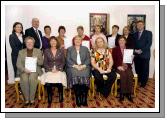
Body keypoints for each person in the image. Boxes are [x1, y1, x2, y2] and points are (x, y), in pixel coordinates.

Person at [16, 36, 43, 106]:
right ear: (25, 43)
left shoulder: (38, 51)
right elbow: (18, 63)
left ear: (33, 43)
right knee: (24, 79)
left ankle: (32, 98)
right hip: (24, 70)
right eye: (28, 42)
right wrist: (24, 69)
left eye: (31, 42)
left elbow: (41, 63)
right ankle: (27, 98)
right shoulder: (21, 52)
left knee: (32, 78)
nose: (29, 44)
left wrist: (36, 60)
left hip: (35, 70)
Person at [40, 36, 67, 105]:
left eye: (54, 41)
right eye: (51, 41)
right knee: (48, 79)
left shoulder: (61, 51)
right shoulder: (46, 51)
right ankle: (49, 95)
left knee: (60, 77)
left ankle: (61, 94)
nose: (53, 42)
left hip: (59, 70)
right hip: (49, 70)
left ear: (56, 42)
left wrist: (58, 69)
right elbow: (45, 63)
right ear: (49, 42)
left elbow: (63, 62)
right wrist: (50, 69)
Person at [66, 36, 91, 107]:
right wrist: (75, 66)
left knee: (85, 75)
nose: (77, 41)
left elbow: (88, 59)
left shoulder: (85, 49)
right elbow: (68, 60)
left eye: (79, 39)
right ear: (73, 41)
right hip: (73, 67)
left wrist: (83, 66)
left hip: (84, 66)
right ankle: (78, 97)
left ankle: (84, 98)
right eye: (76, 39)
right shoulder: (69, 49)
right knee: (74, 74)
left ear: (81, 41)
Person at [112, 36, 134, 102]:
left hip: (127, 66)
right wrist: (118, 66)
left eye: (123, 40)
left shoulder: (129, 49)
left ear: (125, 41)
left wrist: (131, 59)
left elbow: (131, 61)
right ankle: (122, 93)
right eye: (120, 40)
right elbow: (113, 60)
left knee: (130, 74)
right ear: (118, 42)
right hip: (118, 67)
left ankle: (129, 93)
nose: (121, 41)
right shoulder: (115, 49)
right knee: (123, 75)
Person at [133, 20, 152, 88]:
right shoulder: (134, 34)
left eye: (141, 24)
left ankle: (143, 83)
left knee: (145, 69)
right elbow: (133, 44)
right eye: (138, 25)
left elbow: (149, 44)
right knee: (138, 69)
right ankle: (139, 80)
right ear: (137, 26)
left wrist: (141, 50)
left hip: (145, 55)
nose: (139, 26)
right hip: (136, 55)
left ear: (143, 25)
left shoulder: (148, 33)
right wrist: (135, 50)